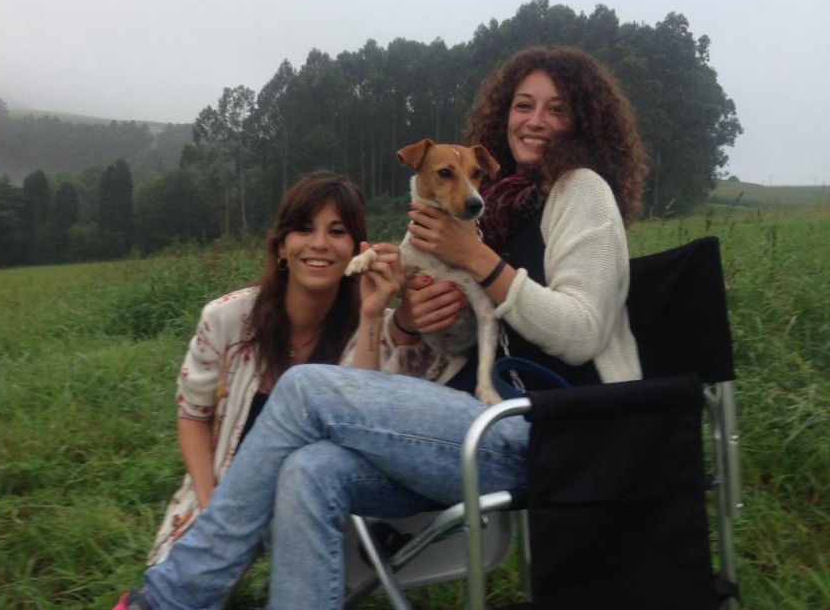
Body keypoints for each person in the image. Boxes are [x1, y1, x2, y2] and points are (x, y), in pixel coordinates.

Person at [115, 46, 648, 609]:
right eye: (523, 105)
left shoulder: (581, 191)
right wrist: (418, 317)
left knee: (304, 388)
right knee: (307, 469)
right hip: (480, 422)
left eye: (556, 108)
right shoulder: (499, 205)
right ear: (503, 114)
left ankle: (173, 597)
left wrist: (478, 260)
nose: (535, 120)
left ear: (583, 120)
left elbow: (583, 334)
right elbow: (483, 332)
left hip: (558, 435)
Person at [144, 171, 404, 565]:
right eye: (304, 229)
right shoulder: (226, 319)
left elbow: (360, 420)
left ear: (357, 249)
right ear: (282, 246)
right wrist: (213, 508)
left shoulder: (372, 326)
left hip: (317, 505)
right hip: (225, 490)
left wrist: (371, 316)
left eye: (337, 231)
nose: (319, 244)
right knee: (178, 578)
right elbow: (193, 416)